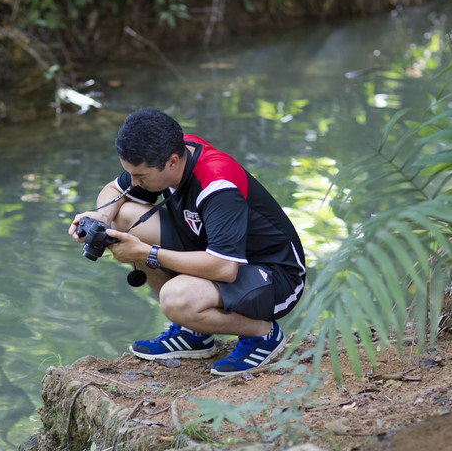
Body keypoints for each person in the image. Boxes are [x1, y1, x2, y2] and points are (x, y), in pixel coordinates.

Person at [69, 107, 307, 376]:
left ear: (171, 162)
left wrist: (146, 252)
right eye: (131, 173)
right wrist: (101, 218)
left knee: (176, 299)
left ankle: (262, 334)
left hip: (275, 277)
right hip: (213, 250)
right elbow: (114, 190)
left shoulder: (218, 181)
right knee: (123, 217)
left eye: (142, 176)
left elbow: (223, 268)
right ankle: (193, 333)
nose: (134, 182)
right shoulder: (172, 151)